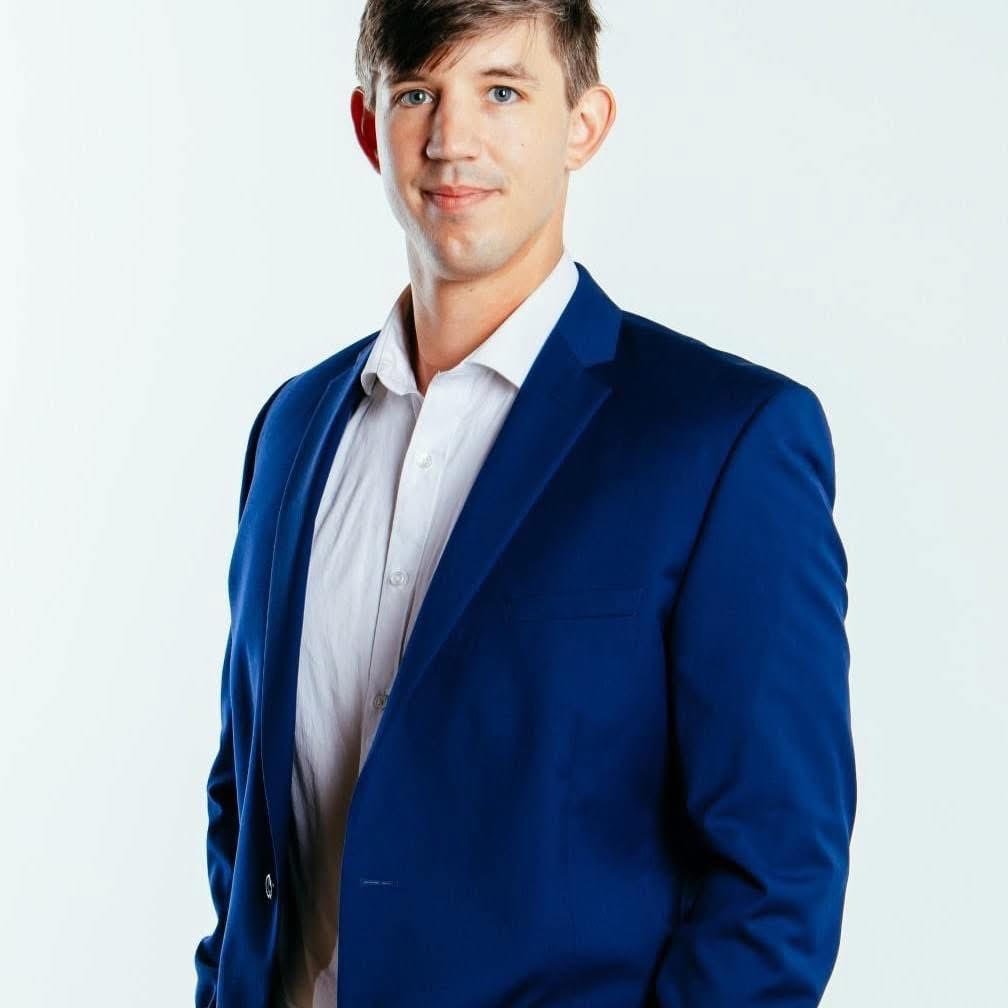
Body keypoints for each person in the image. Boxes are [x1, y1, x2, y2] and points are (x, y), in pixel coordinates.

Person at [193, 2, 856, 1006]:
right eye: (418, 94)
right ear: (369, 125)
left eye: (501, 91)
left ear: (583, 124)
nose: (452, 139)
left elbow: (778, 877)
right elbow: (247, 803)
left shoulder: (720, 441)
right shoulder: (292, 428)